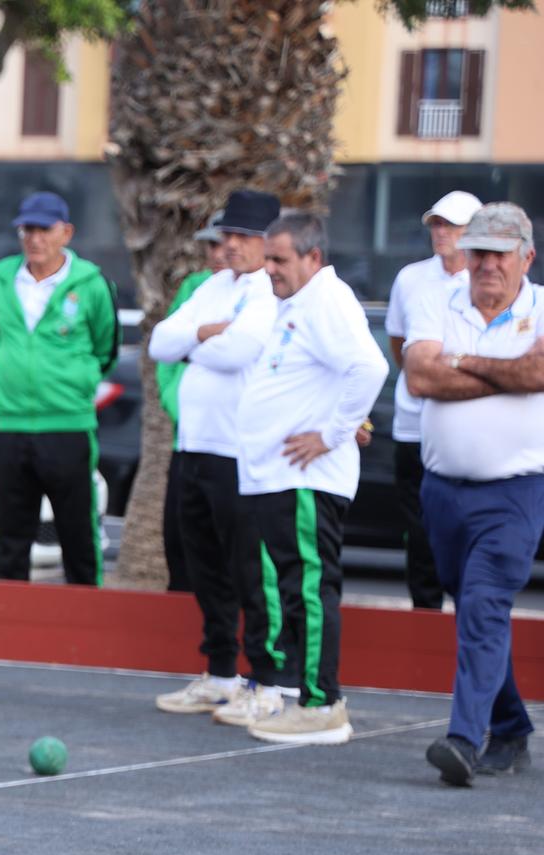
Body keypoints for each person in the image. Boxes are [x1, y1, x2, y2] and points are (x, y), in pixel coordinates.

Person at [401, 203, 544, 786]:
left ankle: (463, 739)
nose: (485, 264)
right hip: (442, 491)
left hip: (515, 491)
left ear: (526, 258)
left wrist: (457, 361)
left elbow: (540, 375)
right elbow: (419, 377)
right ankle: (511, 728)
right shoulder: (440, 299)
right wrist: (503, 369)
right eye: (478, 252)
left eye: (498, 254)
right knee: (474, 612)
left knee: (484, 605)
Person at [232, 211, 388, 746]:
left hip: (305, 479)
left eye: (278, 259)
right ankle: (308, 698)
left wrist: (332, 433)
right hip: (276, 478)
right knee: (297, 592)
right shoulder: (293, 304)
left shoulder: (326, 299)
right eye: (267, 257)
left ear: (312, 257)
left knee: (310, 591)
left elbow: (369, 368)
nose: (267, 269)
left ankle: (324, 706)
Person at [149, 190, 283, 720]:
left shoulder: (267, 292)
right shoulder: (210, 288)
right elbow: (160, 340)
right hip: (193, 446)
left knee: (249, 567)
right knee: (204, 564)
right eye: (227, 235)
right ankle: (222, 673)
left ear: (267, 242)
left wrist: (191, 341)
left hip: (238, 450)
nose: (230, 246)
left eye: (243, 237)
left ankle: (268, 681)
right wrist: (202, 333)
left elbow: (241, 350)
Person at [0, 191, 117, 586]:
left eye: (44, 229)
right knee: (11, 534)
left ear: (66, 232)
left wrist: (77, 381)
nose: (33, 238)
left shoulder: (91, 284)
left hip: (67, 426)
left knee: (76, 533)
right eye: (27, 229)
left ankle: (87, 618)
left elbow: (104, 347)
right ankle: (11, 625)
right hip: (10, 425)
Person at [388, 190, 482, 612]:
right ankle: (424, 614)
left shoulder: (484, 281)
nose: (441, 233)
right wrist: (423, 376)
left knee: (465, 525)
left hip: (464, 424)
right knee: (419, 527)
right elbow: (397, 341)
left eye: (450, 225)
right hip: (412, 424)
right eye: (437, 225)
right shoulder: (410, 277)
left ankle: (464, 610)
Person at [153, 211, 228, 593]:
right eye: (211, 244)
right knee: (178, 539)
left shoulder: (264, 291)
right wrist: (177, 404)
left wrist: (193, 344)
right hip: (188, 438)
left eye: (223, 242)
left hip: (230, 444)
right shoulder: (196, 287)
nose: (217, 252)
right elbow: (166, 354)